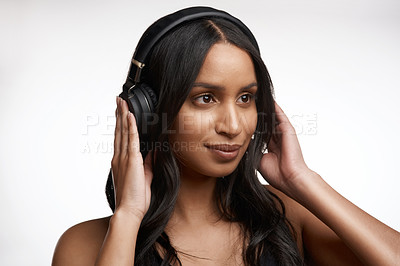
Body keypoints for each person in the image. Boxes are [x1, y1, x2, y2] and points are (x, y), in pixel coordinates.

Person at [52, 7, 400, 266]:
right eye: (206, 98)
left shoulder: (288, 218)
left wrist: (303, 180)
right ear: (146, 111)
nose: (234, 126)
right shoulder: (85, 244)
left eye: (246, 98)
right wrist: (128, 217)